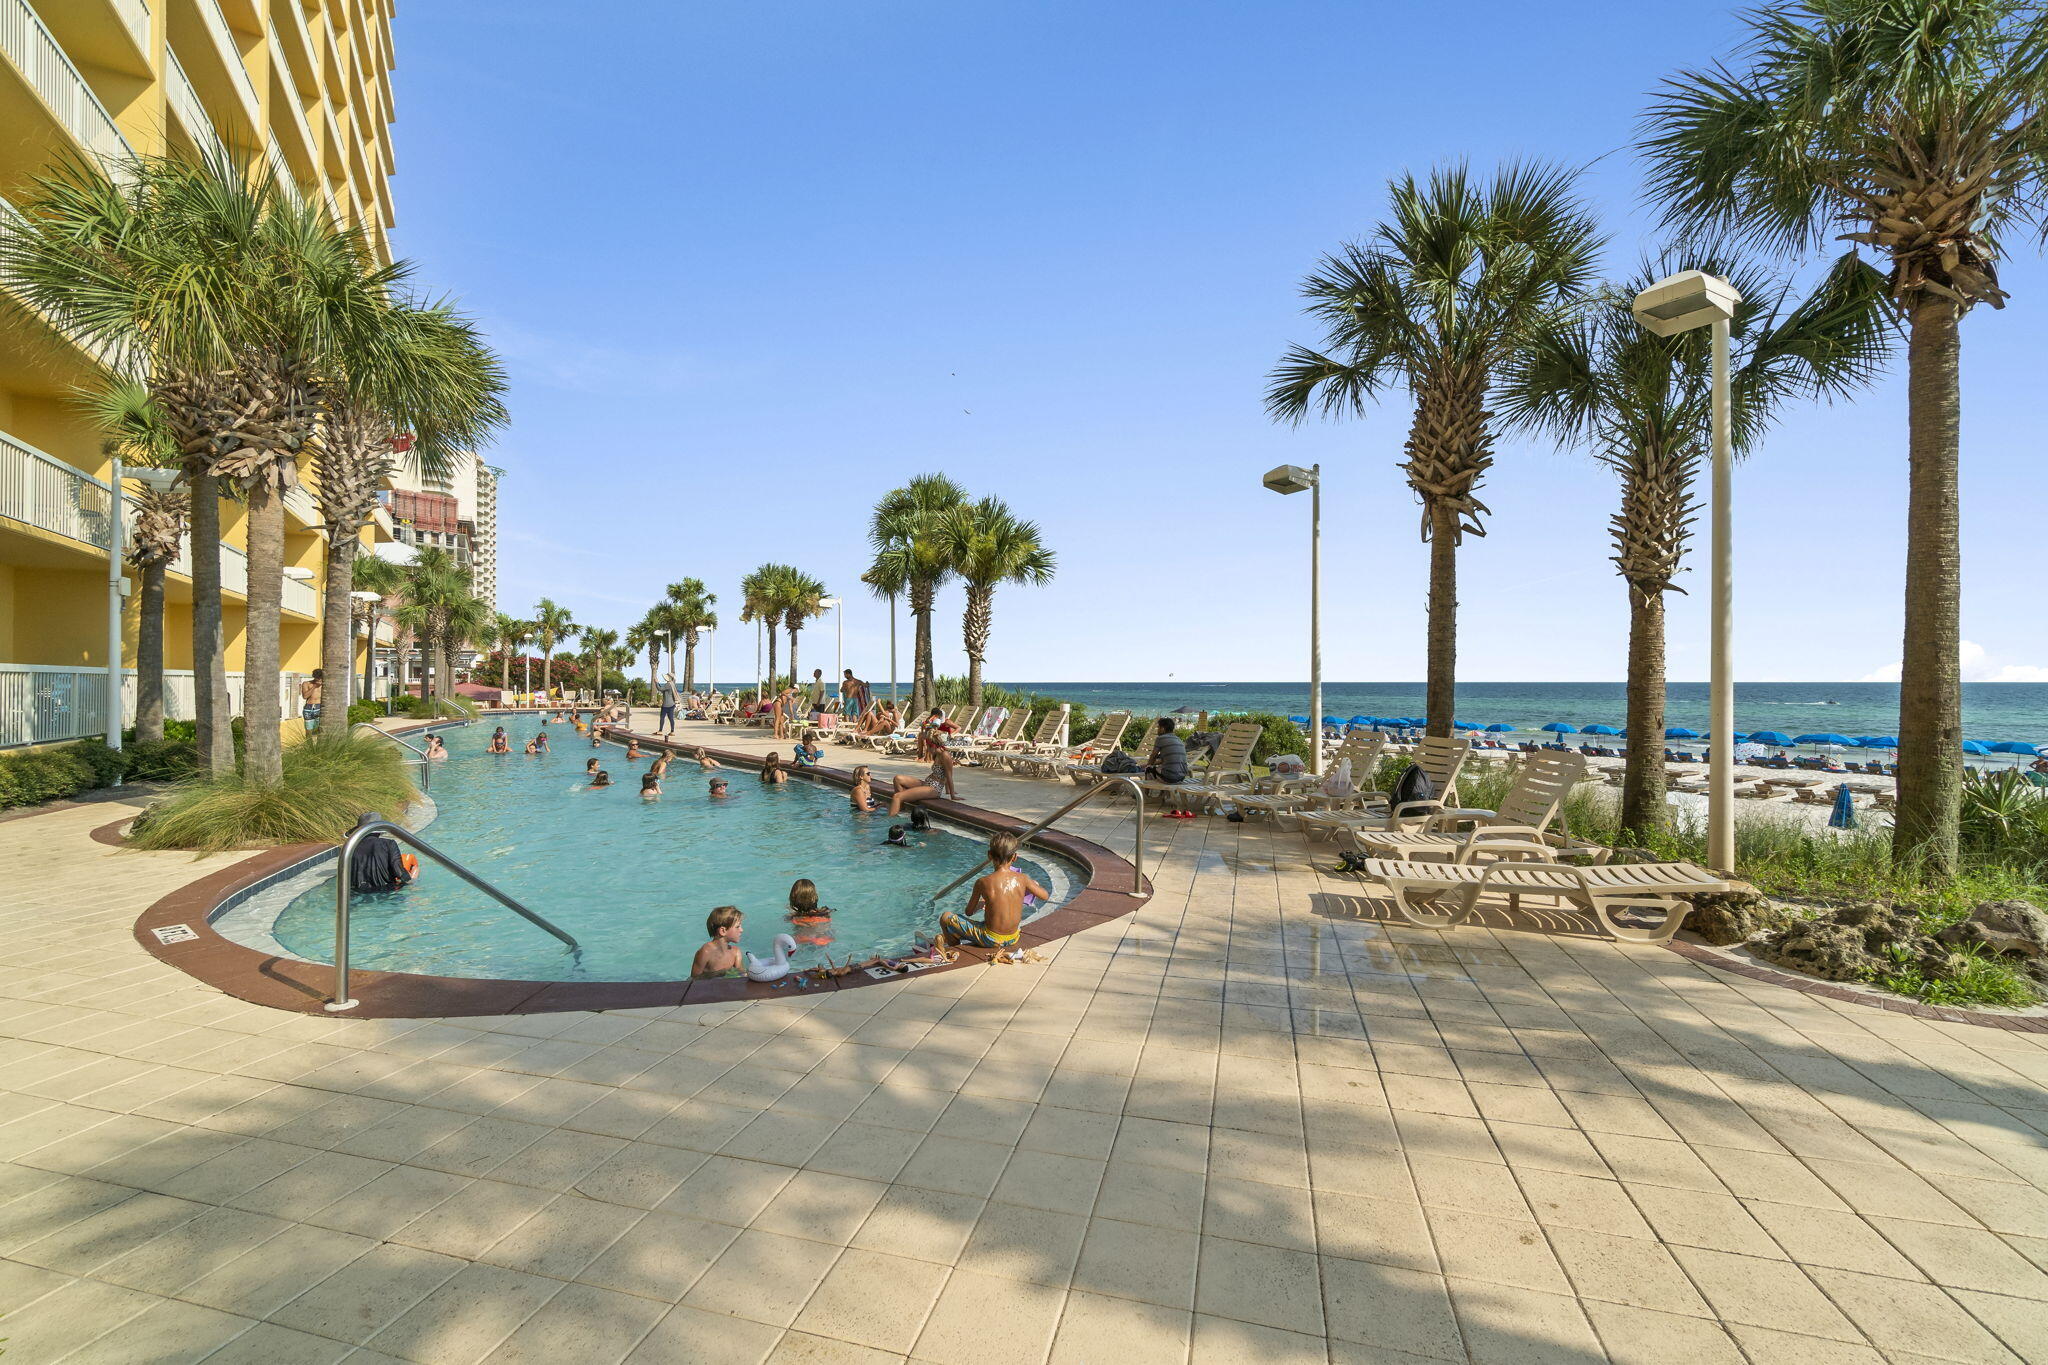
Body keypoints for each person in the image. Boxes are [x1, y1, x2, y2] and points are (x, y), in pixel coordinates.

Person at [937, 831, 1046, 959]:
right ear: (1015, 857)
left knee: (945, 917)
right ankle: (956, 938)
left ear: (989, 855)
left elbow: (969, 912)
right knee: (985, 923)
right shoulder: (1023, 879)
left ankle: (954, 945)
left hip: (990, 939)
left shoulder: (982, 882)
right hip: (1014, 937)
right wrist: (1031, 885)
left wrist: (982, 903)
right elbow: (1044, 895)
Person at [346, 812, 417, 893]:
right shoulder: (389, 844)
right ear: (380, 830)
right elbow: (399, 872)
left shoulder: (350, 847)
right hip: (386, 891)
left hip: (357, 892)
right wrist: (412, 882)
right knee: (412, 862)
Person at [889, 741, 955, 816]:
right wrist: (947, 791)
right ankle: (901, 809)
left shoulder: (945, 755)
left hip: (934, 788)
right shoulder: (937, 754)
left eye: (927, 747)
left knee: (897, 796)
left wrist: (952, 795)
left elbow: (949, 775)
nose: (926, 750)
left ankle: (890, 823)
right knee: (897, 779)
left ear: (932, 746)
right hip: (927, 783)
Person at [692, 906, 744, 978]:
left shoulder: (736, 953)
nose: (741, 930)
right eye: (738, 927)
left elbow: (743, 976)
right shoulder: (706, 952)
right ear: (723, 931)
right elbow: (693, 979)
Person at [787, 878, 834, 946]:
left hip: (804, 940)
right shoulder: (826, 913)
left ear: (792, 898)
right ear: (815, 897)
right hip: (824, 940)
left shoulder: (793, 918)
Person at [657, 671, 680, 736]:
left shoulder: (668, 684)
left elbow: (660, 689)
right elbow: (663, 689)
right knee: (671, 718)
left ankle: (660, 730)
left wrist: (656, 682)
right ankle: (672, 731)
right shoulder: (672, 684)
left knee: (662, 717)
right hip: (672, 704)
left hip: (666, 705)